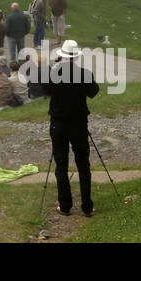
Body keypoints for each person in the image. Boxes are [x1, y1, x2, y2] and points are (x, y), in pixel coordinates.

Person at [43, 39, 99, 216]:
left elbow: (45, 91)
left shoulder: (53, 74)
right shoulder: (84, 74)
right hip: (79, 124)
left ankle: (65, 205)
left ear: (61, 56)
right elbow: (93, 92)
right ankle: (87, 206)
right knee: (83, 164)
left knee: (61, 165)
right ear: (75, 57)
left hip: (58, 124)